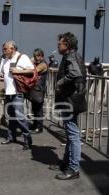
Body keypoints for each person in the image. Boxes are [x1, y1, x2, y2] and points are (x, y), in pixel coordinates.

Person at [49, 32, 87, 180]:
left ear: (68, 45)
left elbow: (75, 73)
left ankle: (73, 168)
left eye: (60, 43)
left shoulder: (71, 56)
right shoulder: (71, 55)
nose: (58, 45)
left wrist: (59, 83)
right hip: (71, 100)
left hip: (70, 101)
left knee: (73, 135)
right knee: (70, 134)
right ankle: (66, 163)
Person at [0, 41, 34, 150]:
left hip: (17, 92)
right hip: (8, 92)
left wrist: (18, 71)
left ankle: (27, 140)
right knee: (11, 116)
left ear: (12, 48)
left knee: (20, 117)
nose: (3, 51)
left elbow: (32, 71)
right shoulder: (5, 59)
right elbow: (3, 74)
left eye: (5, 49)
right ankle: (11, 137)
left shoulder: (22, 57)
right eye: (3, 49)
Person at [28, 48, 48, 134]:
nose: (36, 58)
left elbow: (34, 71)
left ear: (42, 56)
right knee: (34, 108)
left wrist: (31, 62)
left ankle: (39, 127)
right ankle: (35, 124)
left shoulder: (43, 64)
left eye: (38, 56)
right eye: (35, 56)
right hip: (35, 89)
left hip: (39, 89)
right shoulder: (36, 63)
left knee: (38, 109)